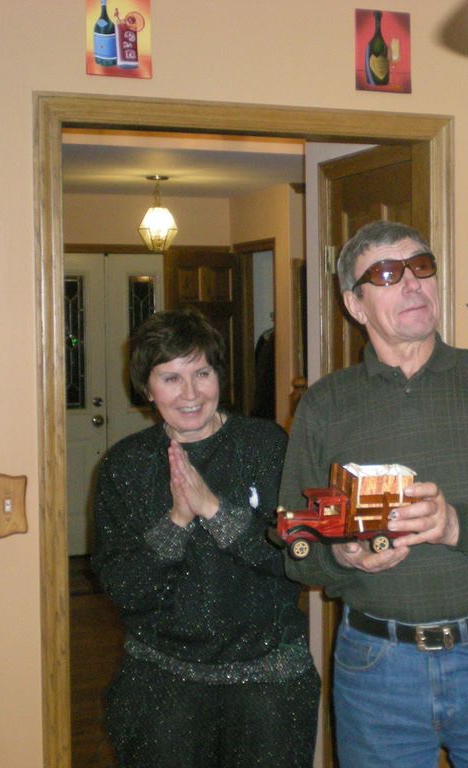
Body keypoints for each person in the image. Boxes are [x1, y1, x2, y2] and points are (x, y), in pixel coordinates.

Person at [281, 220, 468, 768]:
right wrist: (342, 556)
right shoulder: (324, 405)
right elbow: (296, 549)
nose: (413, 283)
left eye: (421, 266)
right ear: (355, 304)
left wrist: (456, 524)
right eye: (386, 274)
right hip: (376, 670)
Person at [91, 308, 319, 768]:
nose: (191, 393)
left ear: (219, 376)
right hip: (161, 685)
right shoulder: (126, 466)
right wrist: (176, 520)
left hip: (269, 683)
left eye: (202, 373)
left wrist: (215, 510)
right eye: (171, 378)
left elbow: (296, 560)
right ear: (147, 389)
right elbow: (124, 587)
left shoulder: (265, 445)